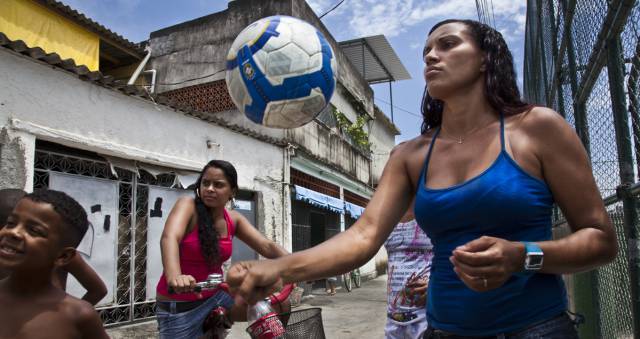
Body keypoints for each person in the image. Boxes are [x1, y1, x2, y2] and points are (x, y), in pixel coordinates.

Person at [227, 19, 618, 338]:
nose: (431, 55)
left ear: (486, 58)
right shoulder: (410, 155)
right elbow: (363, 236)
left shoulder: (537, 128)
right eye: (427, 49)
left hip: (537, 329)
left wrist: (523, 256)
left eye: (448, 45)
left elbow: (600, 240)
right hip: (444, 331)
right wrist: (280, 267)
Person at [155, 159, 290, 339]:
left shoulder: (233, 219)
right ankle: (218, 325)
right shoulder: (187, 206)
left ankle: (222, 322)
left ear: (232, 192)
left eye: (218, 185)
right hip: (181, 305)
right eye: (205, 183)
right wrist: (175, 277)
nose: (210, 189)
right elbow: (169, 237)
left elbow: (266, 246)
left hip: (218, 296)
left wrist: (302, 264)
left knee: (281, 305)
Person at [0, 189, 108, 339]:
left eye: (34, 231)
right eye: (10, 223)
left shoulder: (79, 315)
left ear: (63, 256)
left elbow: (98, 289)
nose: (14, 232)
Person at [384, 200, 432, 339]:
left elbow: (457, 252)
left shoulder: (434, 207)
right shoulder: (386, 214)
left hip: (427, 319)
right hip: (394, 319)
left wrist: (438, 286)